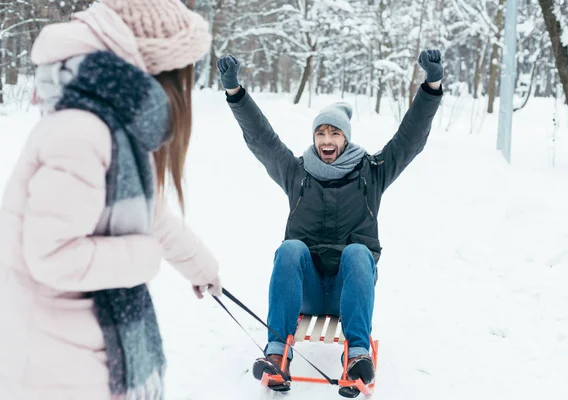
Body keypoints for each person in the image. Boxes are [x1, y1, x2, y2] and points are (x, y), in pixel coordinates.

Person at [0, 1, 222, 399]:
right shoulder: (83, 132)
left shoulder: (112, 126)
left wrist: (201, 268)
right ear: (158, 71)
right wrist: (144, 256)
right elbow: (51, 254)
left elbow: (152, 216)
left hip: (82, 351)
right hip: (56, 366)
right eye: (185, 73)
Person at [217, 50, 444, 392]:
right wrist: (235, 92)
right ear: (314, 139)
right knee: (290, 248)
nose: (327, 140)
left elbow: (410, 139)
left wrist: (431, 85)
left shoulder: (372, 172)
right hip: (305, 289)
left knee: (357, 252)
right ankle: (277, 354)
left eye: (334, 133)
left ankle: (356, 356)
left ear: (345, 138)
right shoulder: (297, 173)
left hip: (348, 288)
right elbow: (262, 140)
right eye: (320, 133)